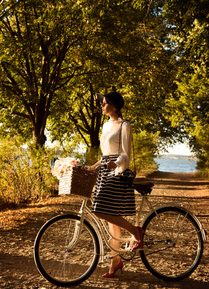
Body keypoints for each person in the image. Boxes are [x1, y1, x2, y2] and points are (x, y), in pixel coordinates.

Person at [85, 90, 144, 278]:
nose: (102, 105)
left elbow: (125, 154)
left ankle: (136, 231)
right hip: (104, 170)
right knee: (110, 219)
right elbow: (105, 154)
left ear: (115, 106)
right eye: (102, 103)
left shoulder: (125, 125)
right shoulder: (104, 126)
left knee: (99, 209)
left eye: (105, 103)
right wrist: (93, 166)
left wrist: (116, 163)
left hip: (117, 172)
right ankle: (115, 262)